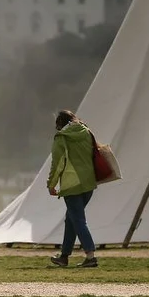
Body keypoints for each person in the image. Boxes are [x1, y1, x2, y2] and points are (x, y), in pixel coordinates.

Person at [47, 109, 99, 268]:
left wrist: (51, 184)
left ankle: (91, 256)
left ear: (59, 123)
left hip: (72, 184)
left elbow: (58, 163)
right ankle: (64, 256)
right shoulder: (86, 132)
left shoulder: (62, 137)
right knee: (71, 219)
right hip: (88, 182)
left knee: (78, 220)